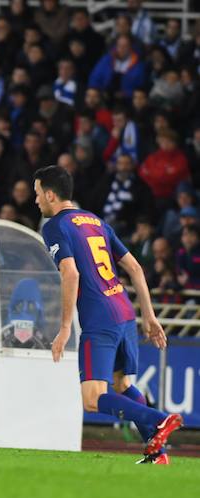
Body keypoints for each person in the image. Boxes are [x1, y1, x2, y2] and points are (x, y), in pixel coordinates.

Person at [35, 165, 182, 464]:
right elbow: (136, 268)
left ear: (50, 195)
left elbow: (71, 273)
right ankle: (158, 452)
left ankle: (159, 419)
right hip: (125, 312)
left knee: (92, 399)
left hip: (99, 319)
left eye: (37, 194)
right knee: (122, 385)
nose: (36, 201)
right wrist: (150, 316)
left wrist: (65, 328)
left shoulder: (53, 227)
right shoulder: (94, 220)